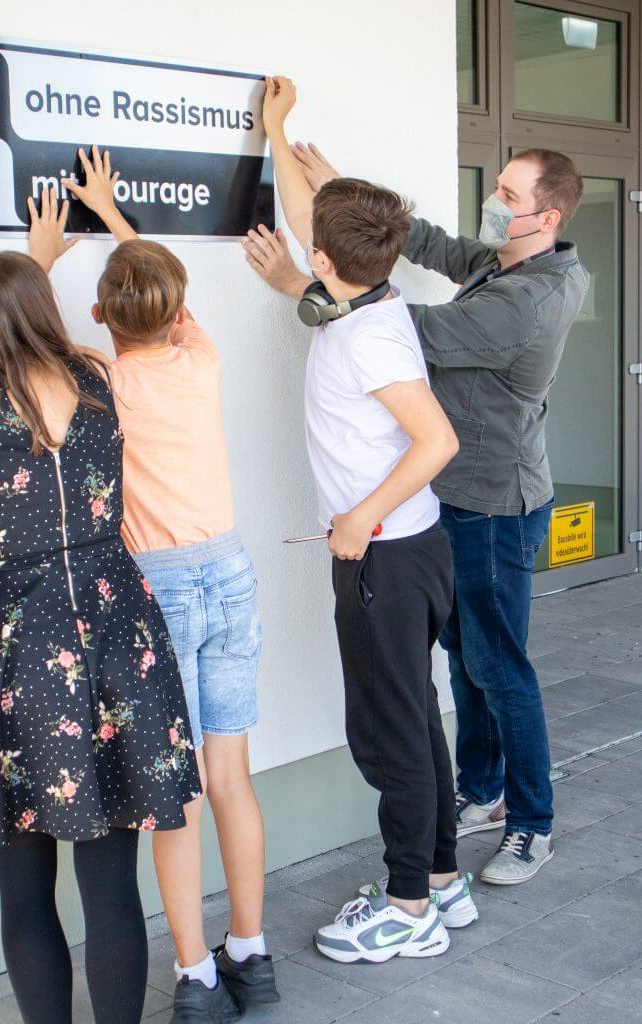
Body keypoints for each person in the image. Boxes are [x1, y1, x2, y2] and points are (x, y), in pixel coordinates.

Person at [0, 186, 202, 1024]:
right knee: (112, 888)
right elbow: (35, 340)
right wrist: (32, 267)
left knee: (24, 886)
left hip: (21, 643)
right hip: (115, 624)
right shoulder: (98, 375)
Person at [246, 137, 587, 887]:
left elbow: (396, 331)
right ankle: (483, 792)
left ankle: (532, 822)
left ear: (548, 215)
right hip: (446, 499)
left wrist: (299, 281)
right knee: (463, 662)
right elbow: (427, 244)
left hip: (494, 501)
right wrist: (351, 196)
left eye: (508, 194)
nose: (494, 202)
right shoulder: (509, 261)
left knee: (499, 666)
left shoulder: (530, 300)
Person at [249, 76, 475, 966]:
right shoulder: (367, 298)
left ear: (325, 260)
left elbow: (437, 440)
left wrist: (357, 520)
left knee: (389, 733)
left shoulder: (363, 335)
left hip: (384, 552)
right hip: (413, 551)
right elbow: (326, 226)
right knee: (415, 715)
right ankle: (444, 881)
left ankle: (408, 905)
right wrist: (279, 135)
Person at [54, 146, 275, 1023]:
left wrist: (52, 251)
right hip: (231, 569)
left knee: (170, 794)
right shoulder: (203, 359)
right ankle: (251, 956)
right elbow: (164, 297)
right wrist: (116, 219)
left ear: (102, 313)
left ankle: (196, 977)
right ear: (182, 313)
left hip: (160, 595)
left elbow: (26, 338)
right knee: (231, 777)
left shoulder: (100, 382)